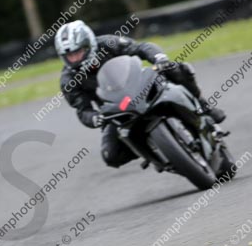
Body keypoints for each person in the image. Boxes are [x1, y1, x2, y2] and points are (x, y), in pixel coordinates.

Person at [54, 20, 226, 168]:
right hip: (116, 111)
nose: (74, 58)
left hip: (141, 85)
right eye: (69, 55)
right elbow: (82, 110)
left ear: (89, 44)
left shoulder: (108, 43)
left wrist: (160, 59)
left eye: (78, 52)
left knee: (178, 69)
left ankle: (204, 106)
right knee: (111, 156)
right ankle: (150, 148)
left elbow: (141, 47)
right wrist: (95, 118)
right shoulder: (68, 79)